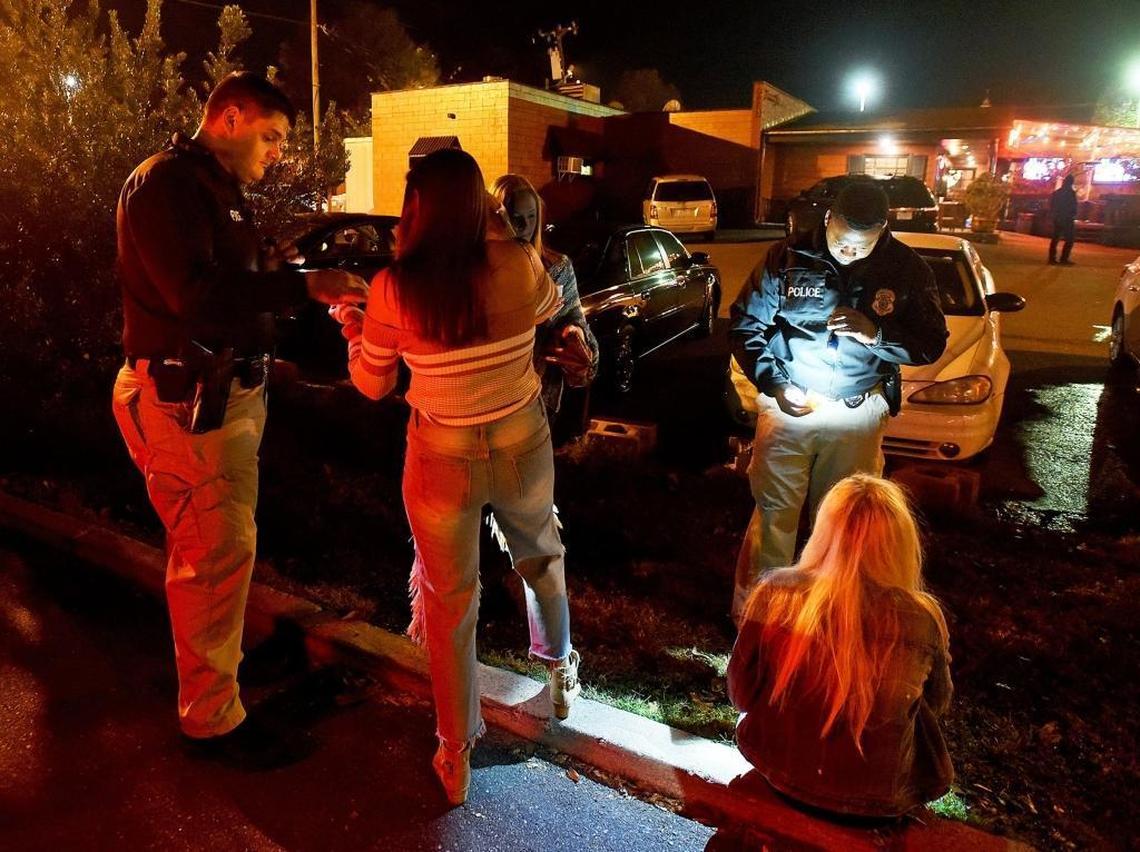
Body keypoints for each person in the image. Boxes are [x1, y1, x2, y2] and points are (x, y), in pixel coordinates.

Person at [111, 72, 369, 766]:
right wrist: (302, 285)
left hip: (219, 393)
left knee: (222, 548)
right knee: (212, 556)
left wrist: (269, 273)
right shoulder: (166, 183)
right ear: (229, 117)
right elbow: (194, 296)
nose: (279, 152)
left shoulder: (213, 188)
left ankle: (218, 676)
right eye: (272, 135)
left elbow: (225, 284)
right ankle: (211, 721)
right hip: (186, 399)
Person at [332, 149, 581, 807]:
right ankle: (559, 675)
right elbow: (548, 306)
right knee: (542, 555)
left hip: (440, 454)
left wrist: (356, 328)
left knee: (449, 603)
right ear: (482, 206)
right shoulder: (518, 263)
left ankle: (455, 752)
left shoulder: (395, 287)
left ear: (415, 205)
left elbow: (373, 384)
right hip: (521, 440)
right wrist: (498, 229)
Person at [728, 182, 947, 622]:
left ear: (882, 230)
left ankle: (828, 613)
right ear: (828, 219)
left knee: (844, 520)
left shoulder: (906, 269)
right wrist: (774, 383)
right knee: (774, 514)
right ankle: (757, 616)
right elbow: (746, 325)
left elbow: (930, 344)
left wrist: (876, 334)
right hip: (790, 408)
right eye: (841, 241)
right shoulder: (787, 258)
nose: (848, 252)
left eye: (860, 246)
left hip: (857, 414)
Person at [727, 474, 954, 818]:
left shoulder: (777, 593)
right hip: (877, 800)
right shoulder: (922, 617)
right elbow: (936, 704)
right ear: (901, 543)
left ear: (824, 533)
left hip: (778, 773)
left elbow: (741, 695)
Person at [489, 174, 599, 425]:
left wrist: (575, 336)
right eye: (515, 218)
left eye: (531, 217)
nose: (525, 227)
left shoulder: (557, 268)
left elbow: (576, 321)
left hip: (539, 399)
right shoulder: (480, 272)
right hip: (491, 399)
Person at [1049, 173, 1078, 266]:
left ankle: (1052, 258)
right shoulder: (1071, 193)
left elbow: (1052, 205)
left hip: (1058, 218)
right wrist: (1073, 215)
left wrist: (1054, 215)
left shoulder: (1057, 192)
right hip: (1067, 219)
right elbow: (1073, 206)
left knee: (1055, 238)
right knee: (1069, 239)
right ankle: (1064, 259)